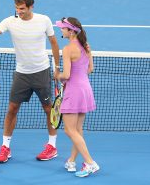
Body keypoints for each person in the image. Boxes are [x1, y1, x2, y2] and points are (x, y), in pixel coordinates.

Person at [0, 0, 60, 163]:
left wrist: (57, 67)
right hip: (21, 74)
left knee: (49, 109)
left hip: (41, 71)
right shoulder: (10, 21)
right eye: (17, 8)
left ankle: (52, 146)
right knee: (12, 109)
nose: (19, 11)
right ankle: (5, 147)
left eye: (23, 8)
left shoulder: (44, 20)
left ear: (31, 6)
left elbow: (54, 43)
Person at [55, 17, 100, 177]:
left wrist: (57, 76)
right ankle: (72, 161)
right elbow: (90, 69)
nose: (61, 30)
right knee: (77, 129)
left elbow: (66, 75)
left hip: (74, 92)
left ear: (71, 31)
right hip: (85, 90)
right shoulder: (86, 46)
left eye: (63, 28)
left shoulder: (68, 49)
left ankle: (90, 163)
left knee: (69, 130)